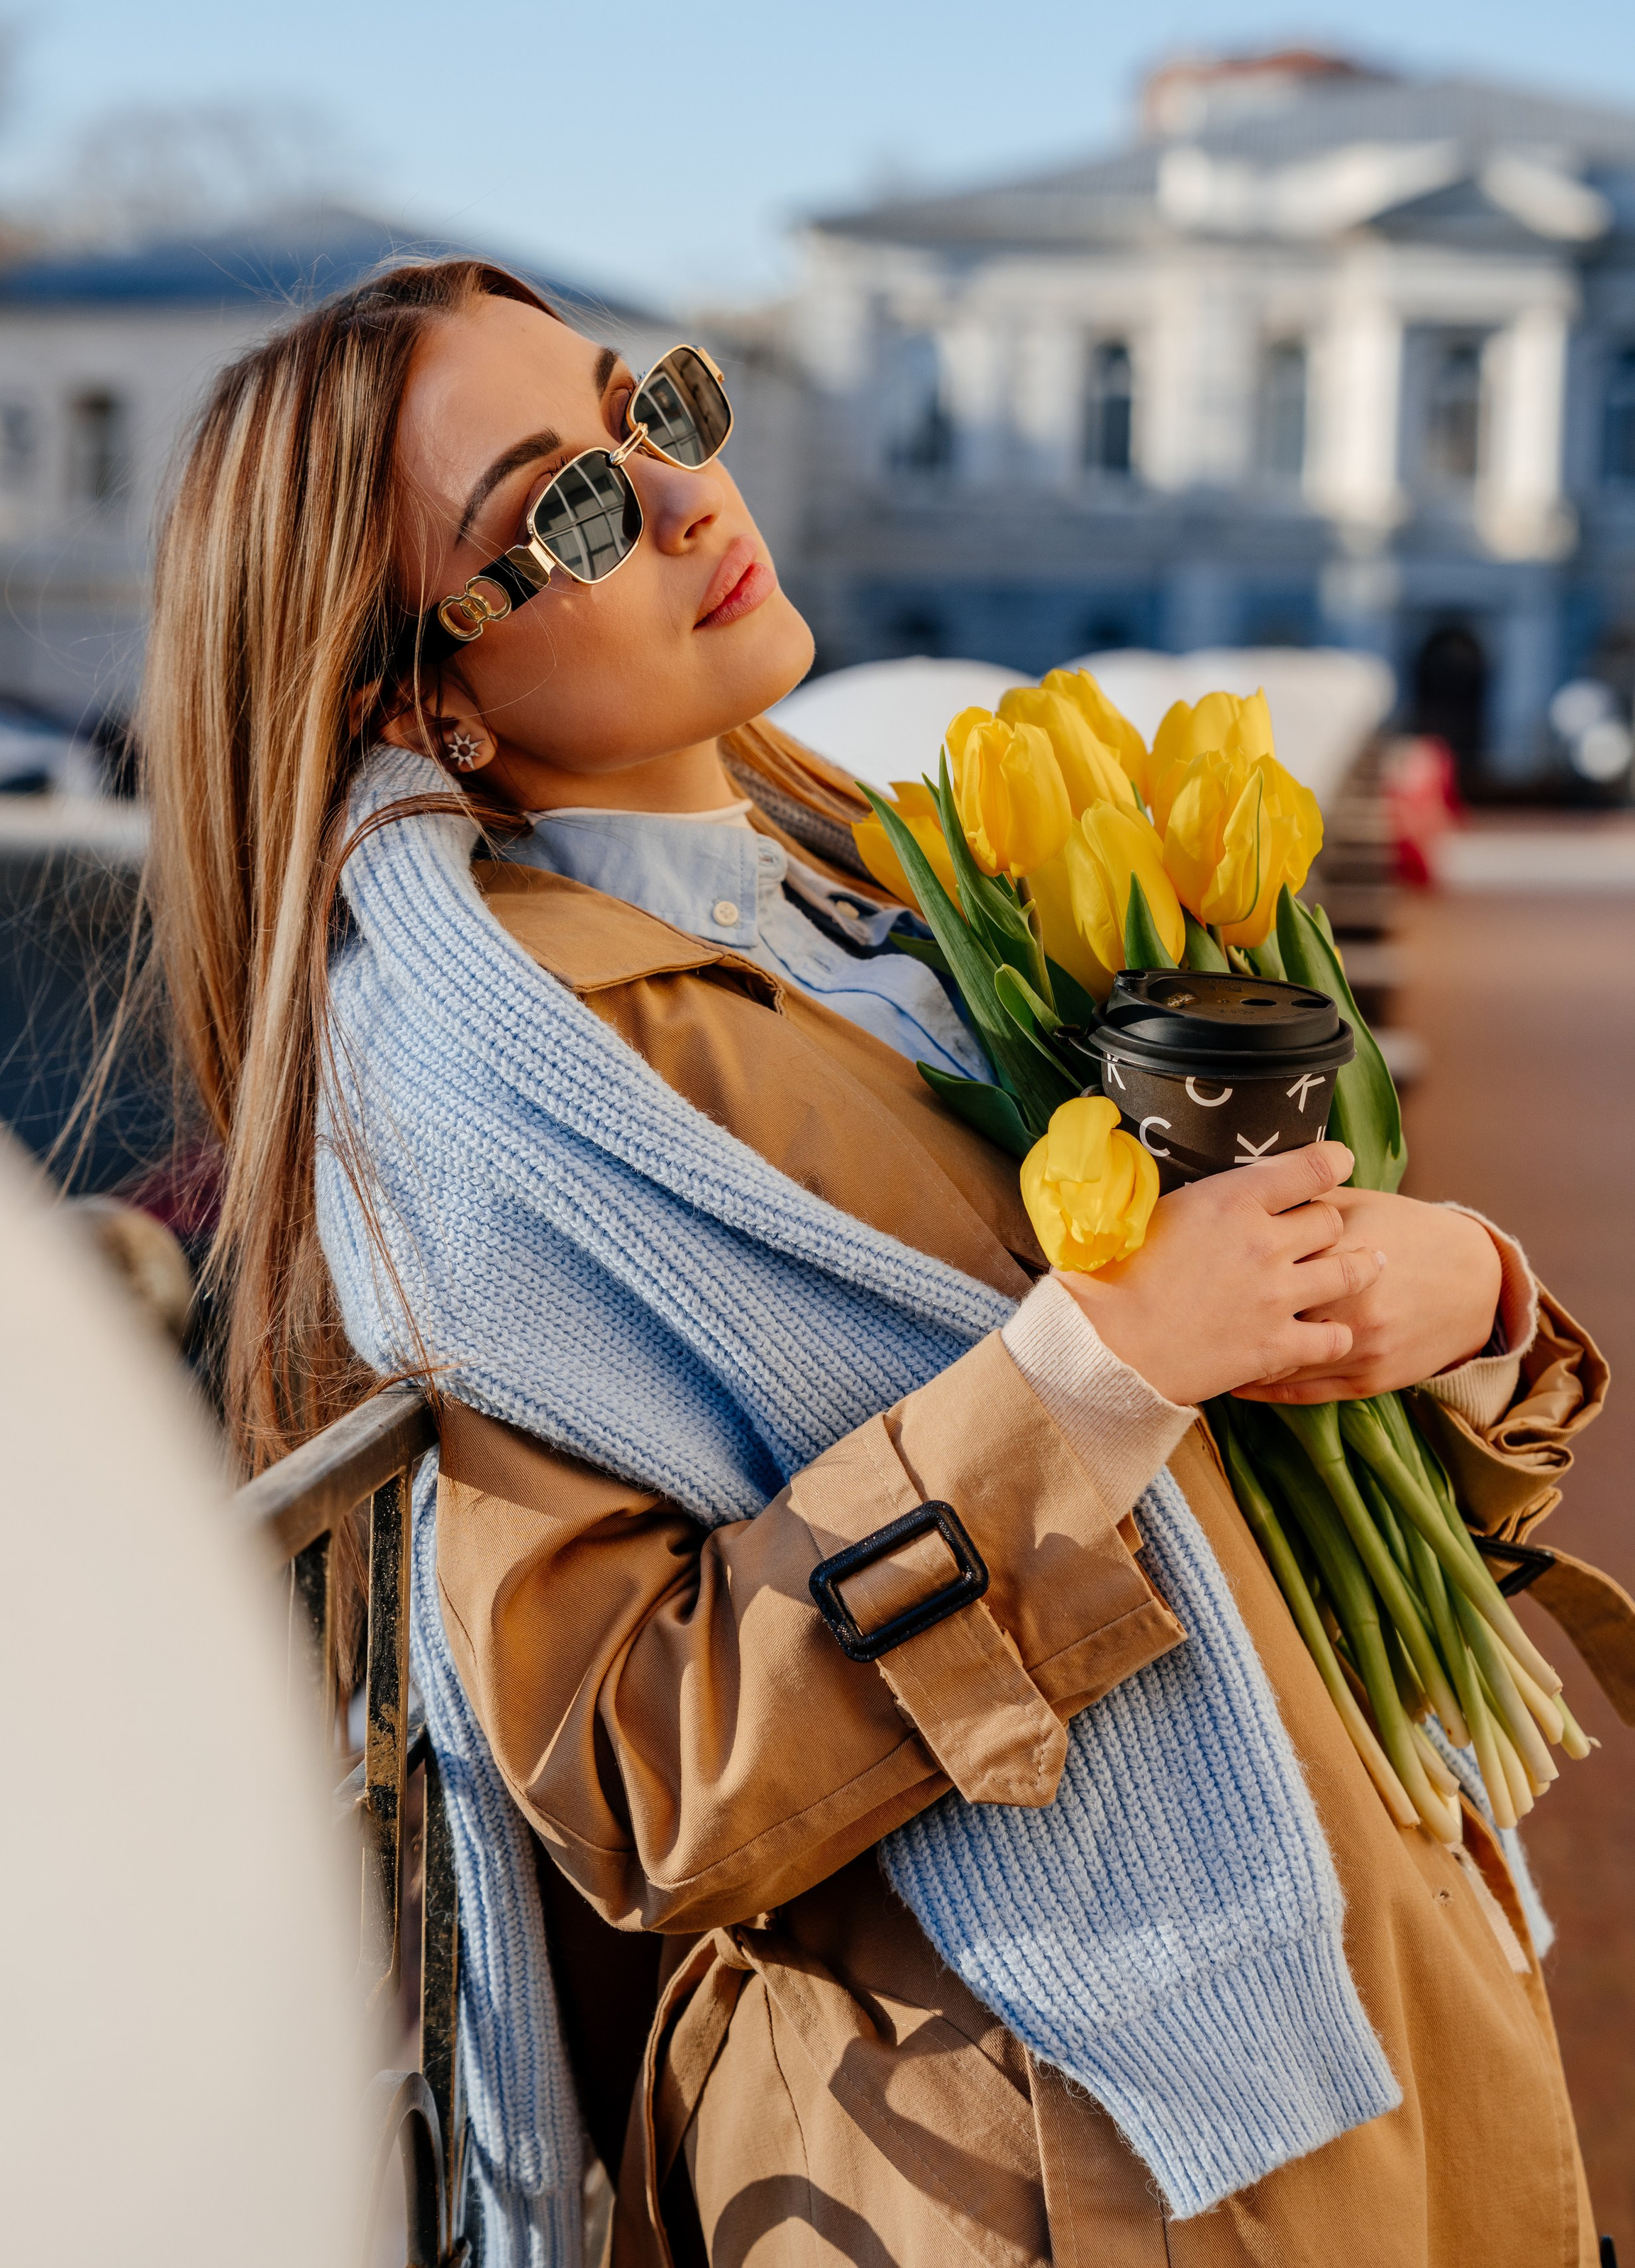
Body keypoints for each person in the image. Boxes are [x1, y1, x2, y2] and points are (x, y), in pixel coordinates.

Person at [142, 258, 1621, 2268]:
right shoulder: (502, 1090)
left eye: (651, 410)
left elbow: (1252, 1439)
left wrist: (1456, 1306)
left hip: (1361, 1985)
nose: (681, 495)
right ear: (424, 696)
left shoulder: (898, 886)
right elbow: (641, 1773)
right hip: (1050, 2146)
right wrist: (1086, 1385)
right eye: (562, 513)